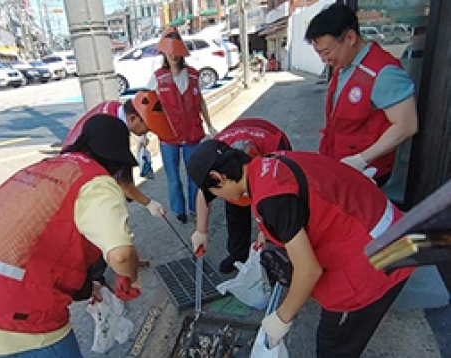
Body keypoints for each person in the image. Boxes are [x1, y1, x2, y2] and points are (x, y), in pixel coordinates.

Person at [187, 139, 415, 357]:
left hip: (379, 258)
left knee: (334, 345)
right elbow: (298, 207)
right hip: (383, 231)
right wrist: (269, 233)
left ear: (219, 177)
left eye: (215, 192)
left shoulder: (271, 199)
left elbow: (308, 270)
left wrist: (282, 317)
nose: (219, 197)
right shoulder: (270, 162)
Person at [0, 115, 143, 357]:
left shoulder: (45, 168)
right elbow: (122, 255)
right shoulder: (95, 181)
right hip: (15, 315)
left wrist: (87, 288)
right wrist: (131, 277)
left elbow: (37, 244)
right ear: (115, 160)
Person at [305, 3, 418, 187]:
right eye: (319, 54)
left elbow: (407, 125)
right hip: (341, 164)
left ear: (350, 37)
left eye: (326, 52)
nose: (324, 60)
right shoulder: (344, 66)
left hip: (367, 172)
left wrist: (362, 159)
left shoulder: (383, 72)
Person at [191, 118, 292, 273]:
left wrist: (266, 232)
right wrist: (201, 231)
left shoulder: (276, 147)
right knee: (235, 214)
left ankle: (278, 256)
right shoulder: (213, 156)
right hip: (232, 181)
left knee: (278, 218)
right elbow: (204, 192)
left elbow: (283, 198)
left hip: (267, 157)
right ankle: (238, 255)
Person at [62, 91, 174, 218]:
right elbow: (124, 184)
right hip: (77, 179)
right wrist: (149, 203)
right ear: (133, 118)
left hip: (69, 161)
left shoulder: (113, 108)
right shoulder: (113, 132)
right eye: (147, 129)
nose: (147, 133)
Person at [148, 26, 217, 224]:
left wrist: (210, 125)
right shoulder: (157, 77)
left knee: (194, 173)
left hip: (193, 133)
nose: (172, 56)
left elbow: (201, 101)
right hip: (168, 136)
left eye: (176, 52)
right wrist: (144, 135)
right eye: (168, 52)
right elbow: (149, 105)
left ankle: (195, 207)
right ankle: (178, 209)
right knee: (173, 177)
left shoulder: (194, 75)